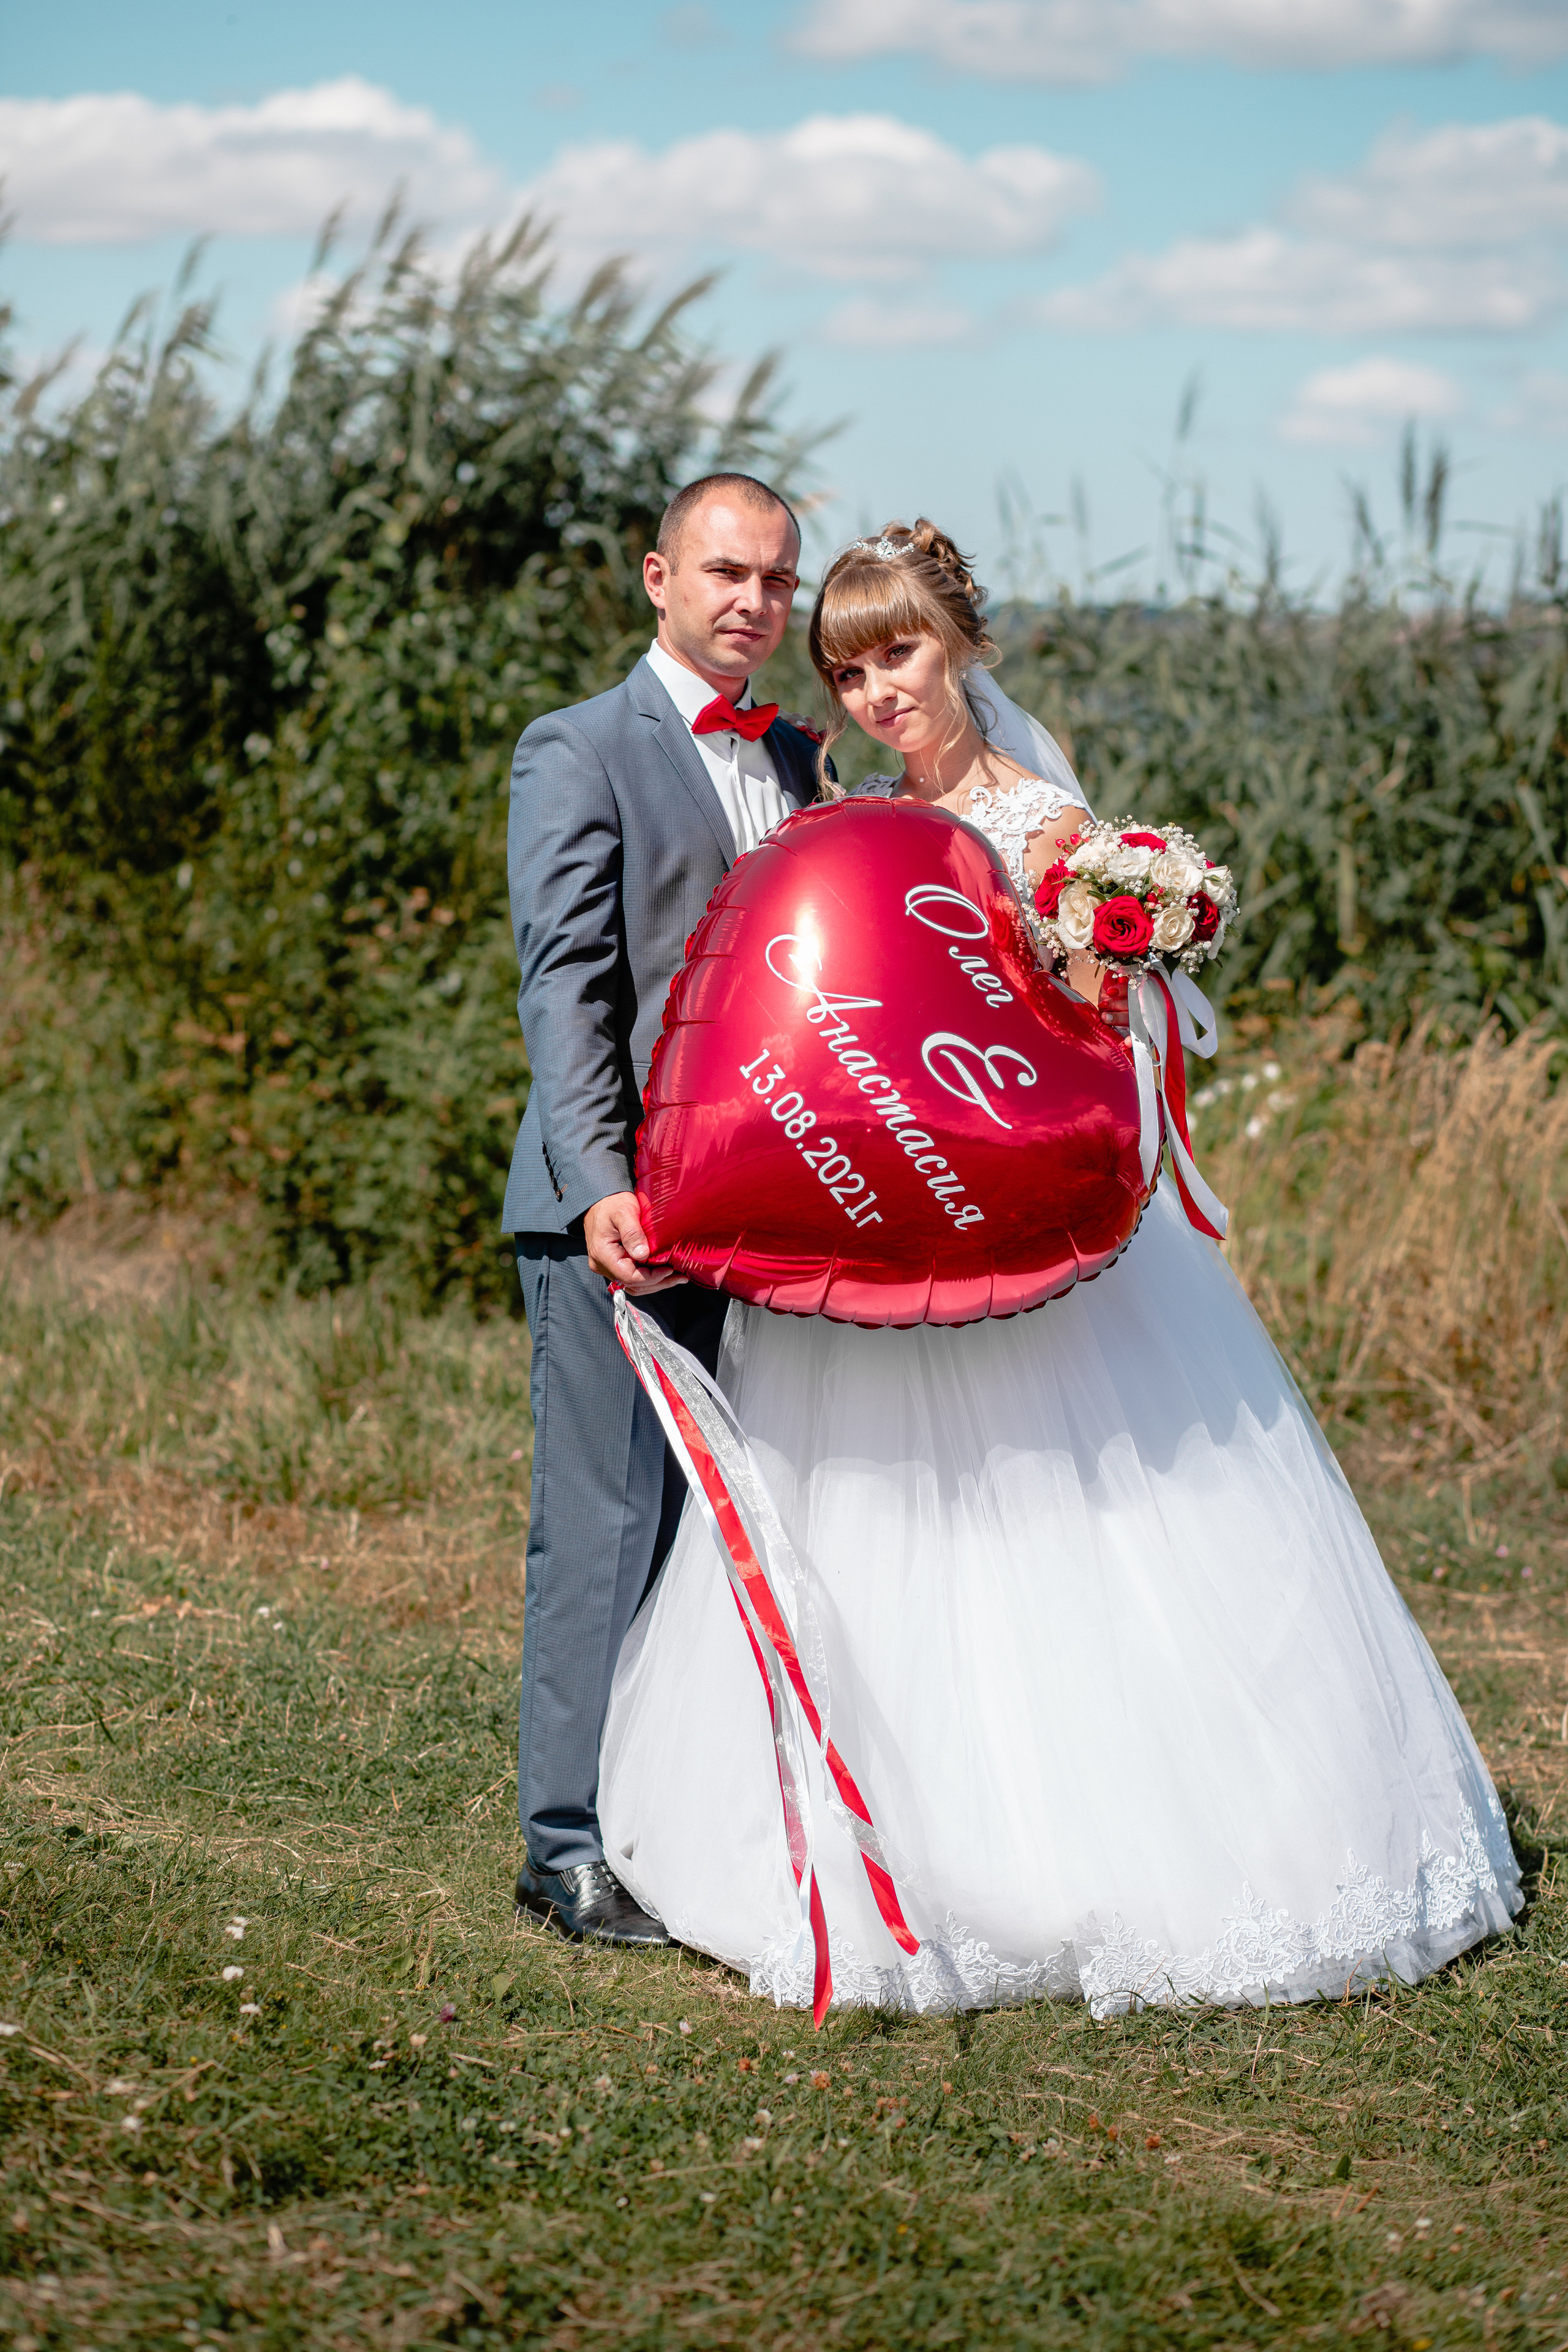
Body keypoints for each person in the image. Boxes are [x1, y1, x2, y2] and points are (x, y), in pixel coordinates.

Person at [597, 519, 1522, 2015]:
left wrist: (1115, 954)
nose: (873, 691)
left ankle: (1095, 1845)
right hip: (883, 1224)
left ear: (958, 645)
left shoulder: (1041, 829)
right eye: (845, 668)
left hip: (1031, 1238)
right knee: (883, 1511)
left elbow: (1075, 1052)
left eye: (894, 652)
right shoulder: (840, 805)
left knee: (1061, 1508)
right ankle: (876, 1822)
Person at [505, 472, 824, 1945]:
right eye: (722, 571)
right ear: (655, 577)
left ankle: (679, 1823)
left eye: (773, 577)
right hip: (620, 1212)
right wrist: (599, 1186)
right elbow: (565, 989)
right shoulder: (577, 749)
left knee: (721, 1533)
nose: (750, 598)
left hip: (769, 1220)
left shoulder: (808, 768)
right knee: (607, 1522)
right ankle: (565, 1846)